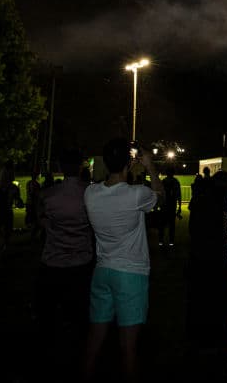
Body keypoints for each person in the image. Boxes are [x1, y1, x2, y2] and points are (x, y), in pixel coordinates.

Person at [82, 139, 165, 382]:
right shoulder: (136, 195)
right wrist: (150, 167)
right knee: (128, 347)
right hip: (130, 274)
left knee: (94, 340)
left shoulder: (90, 193)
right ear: (128, 163)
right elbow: (160, 198)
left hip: (102, 271)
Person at [36, 150, 94, 376]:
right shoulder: (89, 194)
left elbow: (40, 219)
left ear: (60, 165)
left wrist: (49, 226)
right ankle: (77, 356)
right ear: (81, 166)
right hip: (81, 261)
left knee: (50, 314)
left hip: (53, 260)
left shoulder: (48, 195)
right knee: (79, 314)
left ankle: (51, 355)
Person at [160, 169, 182, 246]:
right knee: (172, 224)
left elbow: (160, 195)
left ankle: (161, 240)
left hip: (164, 206)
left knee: (162, 224)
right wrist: (179, 207)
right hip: (172, 206)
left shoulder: (163, 182)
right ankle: (171, 241)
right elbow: (179, 195)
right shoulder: (176, 182)